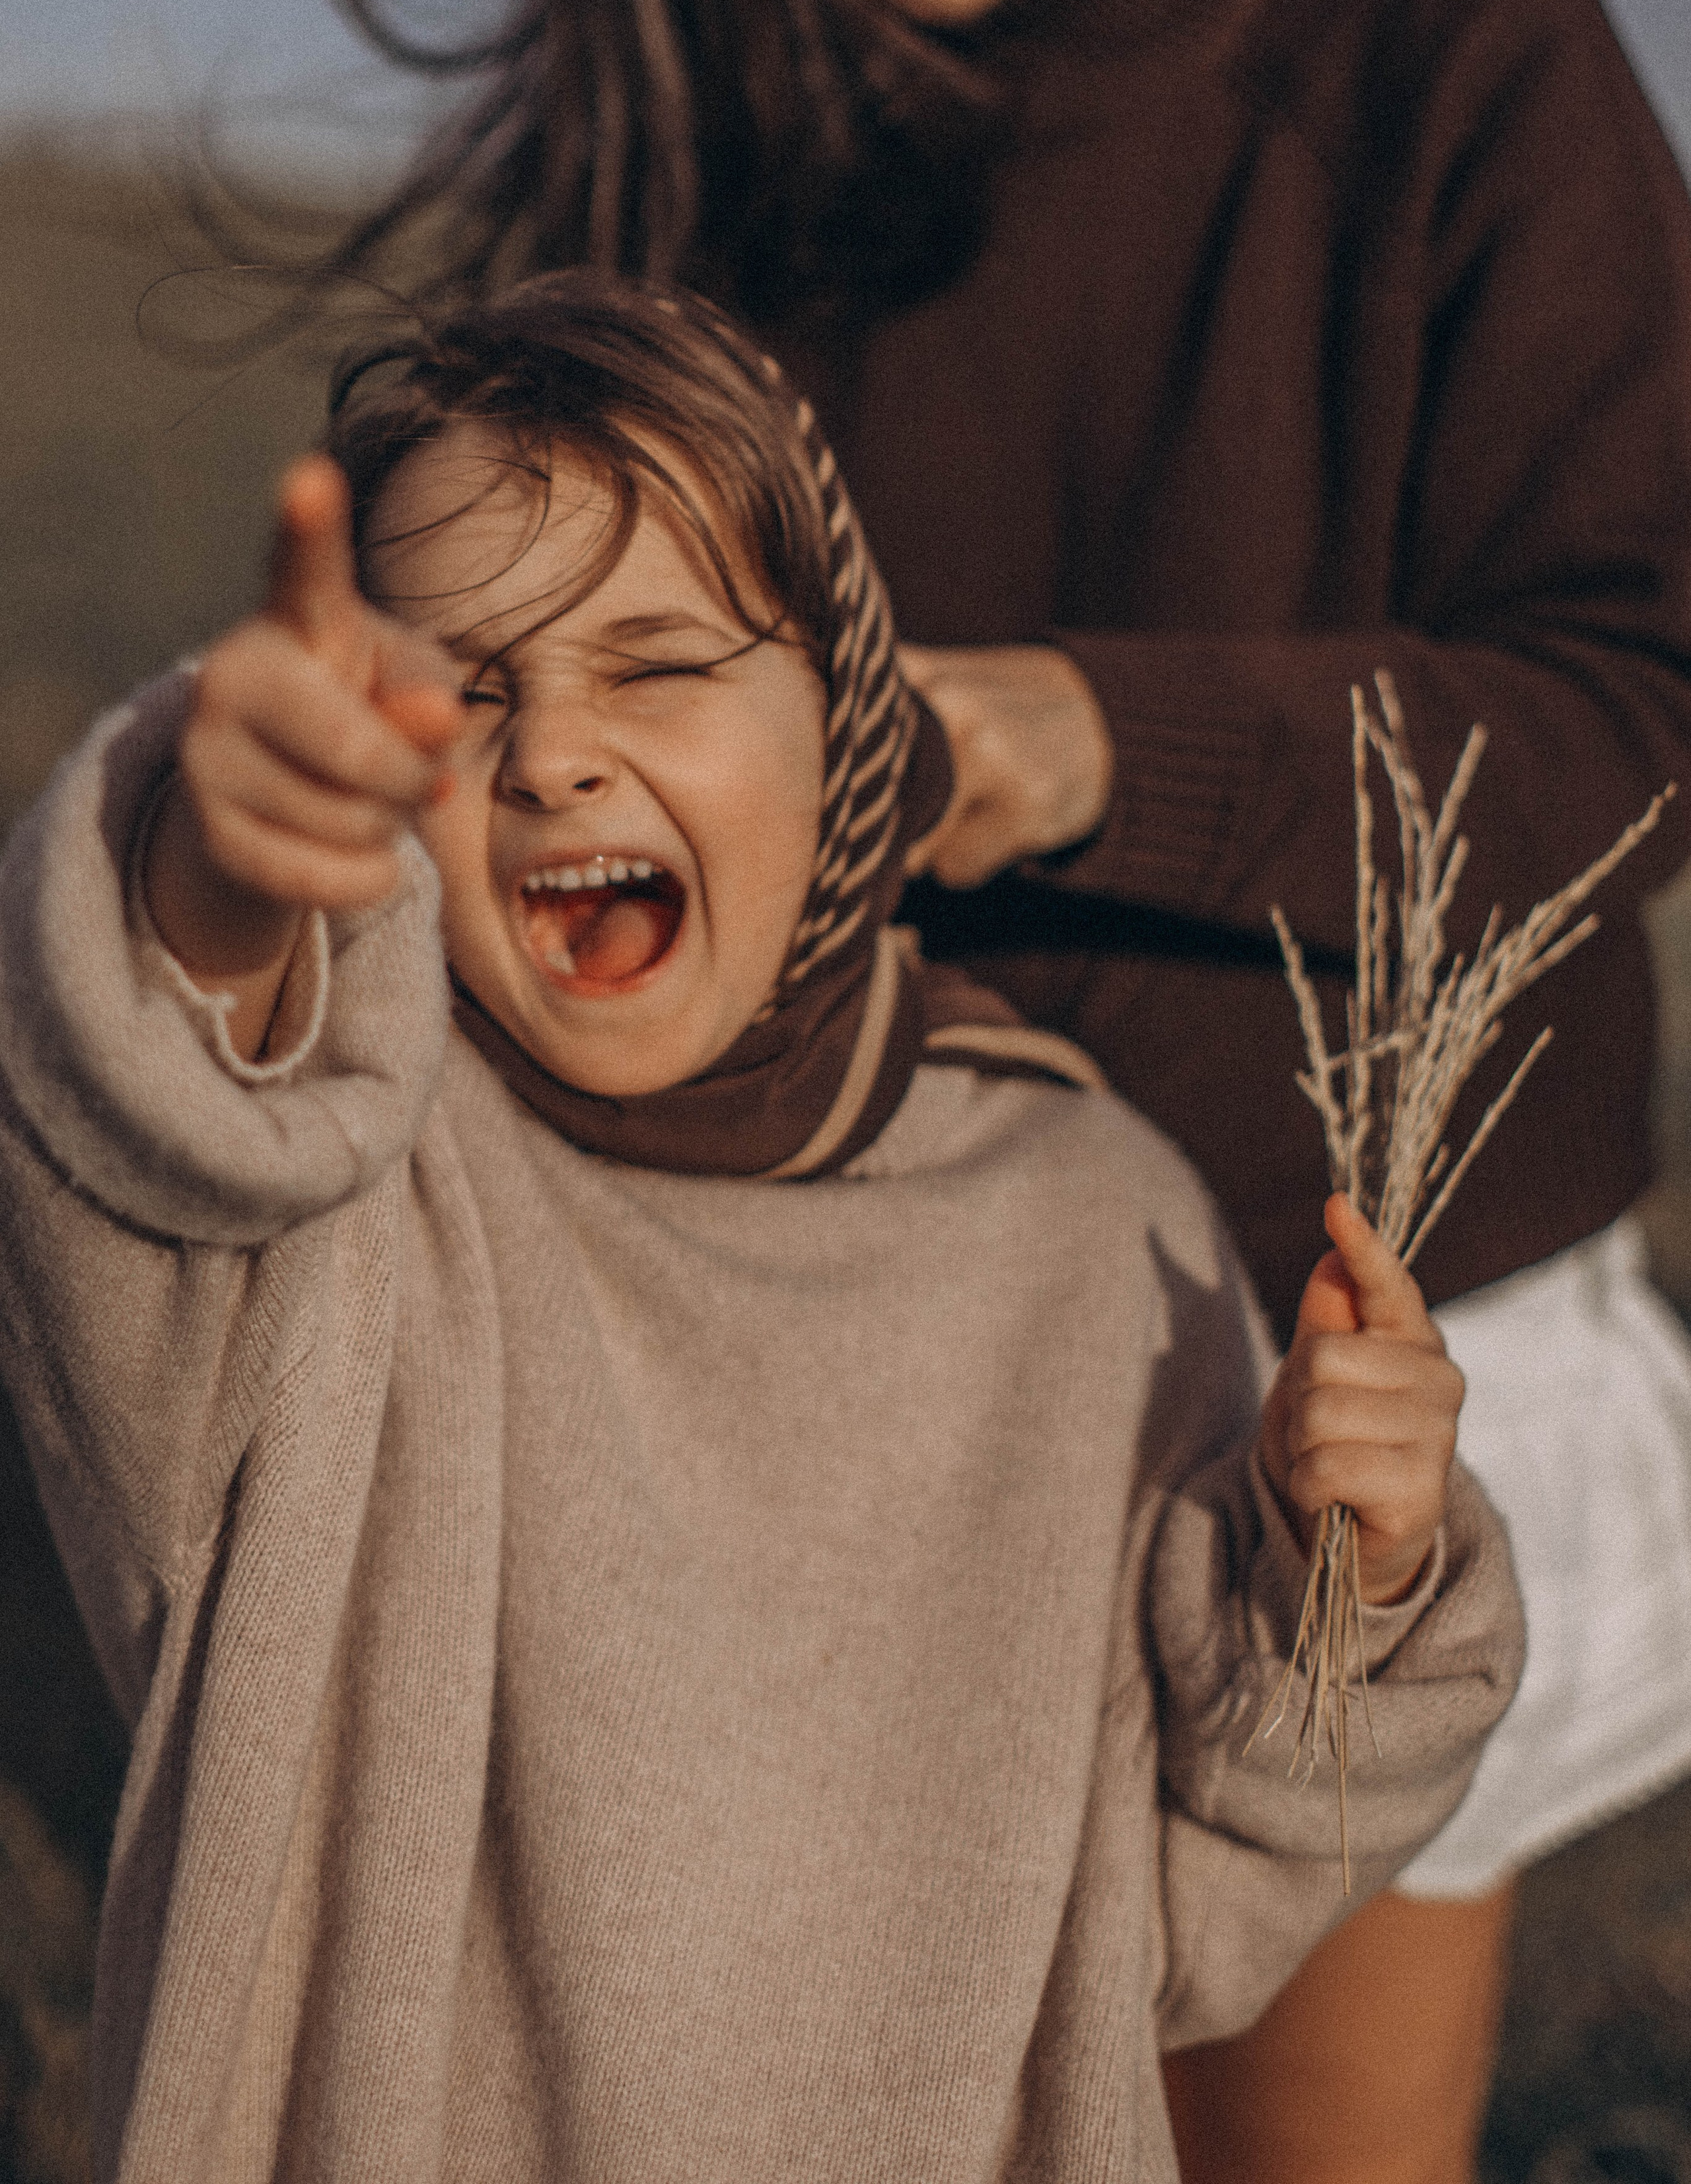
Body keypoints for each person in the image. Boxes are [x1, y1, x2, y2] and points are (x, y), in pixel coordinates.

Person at [290, 0, 1691, 2173]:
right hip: (815, 1401)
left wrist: (1071, 746)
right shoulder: (699, 163)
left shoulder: (1457, 52)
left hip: (1353, 1357)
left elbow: (1635, 707)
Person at [0, 273, 1519, 2181]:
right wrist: (213, 879)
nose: (550, 749)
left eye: (653, 660)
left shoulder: (1086, 1232)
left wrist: (1348, 1591)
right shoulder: (331, 1206)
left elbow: (1194, 1928)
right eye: (461, 688)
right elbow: (147, 1118)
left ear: (849, 721)